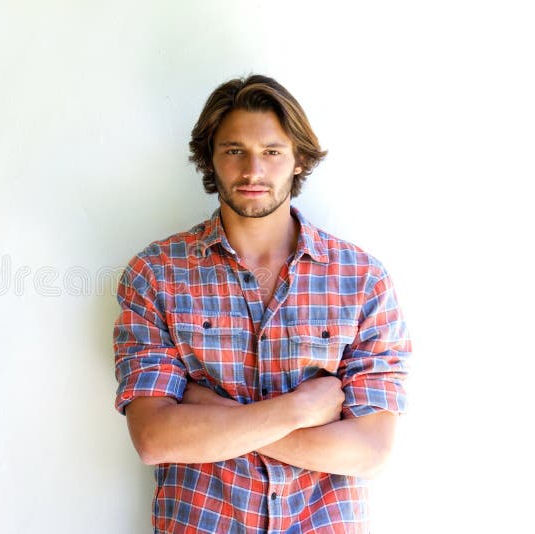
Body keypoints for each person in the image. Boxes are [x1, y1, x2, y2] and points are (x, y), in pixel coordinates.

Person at [112, 74, 411, 533]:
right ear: (210, 159)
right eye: (235, 150)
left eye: (272, 151)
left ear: (298, 160)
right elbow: (154, 438)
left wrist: (213, 416)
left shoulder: (362, 279)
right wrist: (300, 411)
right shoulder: (156, 273)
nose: (253, 171)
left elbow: (371, 451)